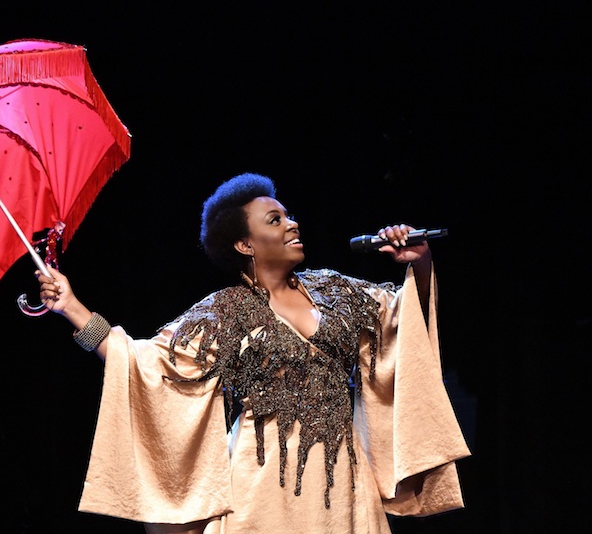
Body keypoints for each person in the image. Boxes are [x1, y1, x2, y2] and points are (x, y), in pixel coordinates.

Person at [35, 173, 470, 534]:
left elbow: (407, 325)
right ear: (245, 244)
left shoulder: (336, 291)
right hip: (262, 492)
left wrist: (421, 262)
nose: (292, 224)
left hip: (344, 490)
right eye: (275, 220)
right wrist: (72, 308)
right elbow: (144, 364)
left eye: (290, 216)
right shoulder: (226, 311)